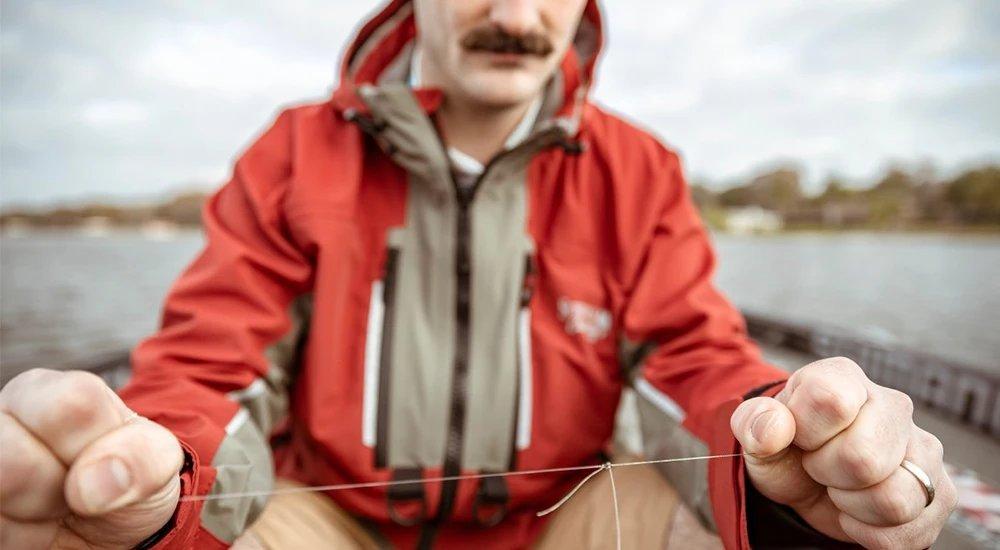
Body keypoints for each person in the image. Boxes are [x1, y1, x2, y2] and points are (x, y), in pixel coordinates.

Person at [0, 1, 957, 548]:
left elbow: (694, 365)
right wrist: (152, 476)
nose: (510, 14)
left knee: (735, 508)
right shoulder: (294, 151)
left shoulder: (641, 169)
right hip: (334, 523)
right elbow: (212, 373)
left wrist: (796, 457)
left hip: (559, 530)